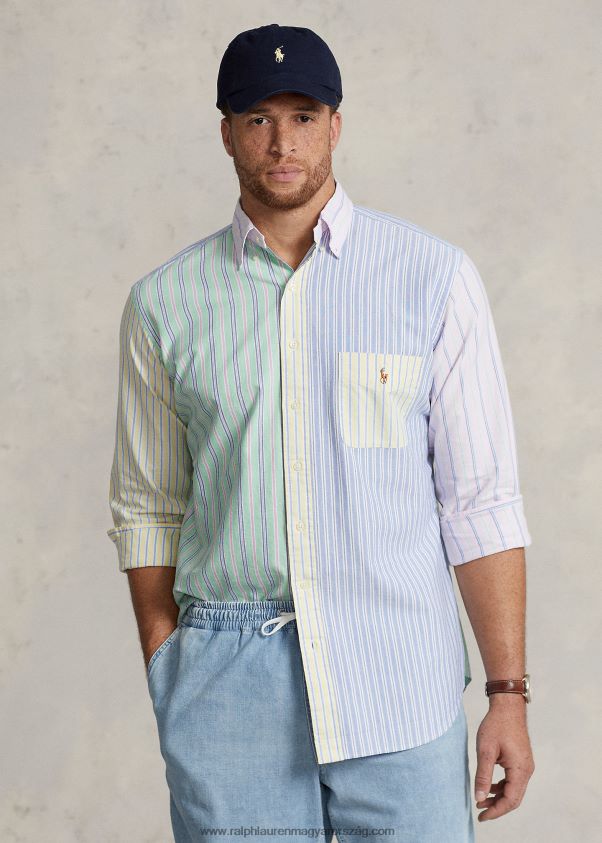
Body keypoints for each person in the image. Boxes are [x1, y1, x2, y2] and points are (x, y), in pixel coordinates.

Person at [107, 23, 535, 842]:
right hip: (229, 683)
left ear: (336, 124)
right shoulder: (165, 303)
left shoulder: (432, 279)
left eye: (303, 116)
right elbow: (148, 505)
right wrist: (169, 659)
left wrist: (507, 694)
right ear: (226, 132)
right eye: (258, 119)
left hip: (400, 672)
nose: (282, 143)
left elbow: (479, 502)